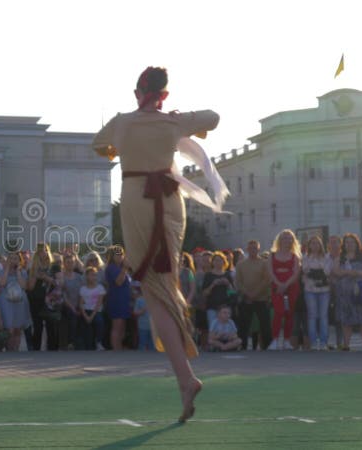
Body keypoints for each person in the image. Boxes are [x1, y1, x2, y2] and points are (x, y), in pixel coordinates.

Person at [93, 66, 219, 422]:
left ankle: (185, 378)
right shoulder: (172, 123)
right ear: (164, 94)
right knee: (163, 283)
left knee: (153, 288)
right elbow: (214, 116)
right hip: (168, 199)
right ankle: (184, 377)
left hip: (136, 199)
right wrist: (181, 119)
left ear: (138, 92)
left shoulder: (122, 121)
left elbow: (98, 145)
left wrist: (122, 145)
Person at [331, 233, 362, 351]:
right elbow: (336, 271)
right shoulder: (340, 256)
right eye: (347, 242)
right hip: (344, 294)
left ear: (357, 243)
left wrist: (359, 273)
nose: (349, 244)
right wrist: (348, 273)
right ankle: (346, 344)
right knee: (346, 319)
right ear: (344, 245)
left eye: (352, 242)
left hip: (361, 291)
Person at [267, 229, 302, 351]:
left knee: (289, 313)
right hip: (277, 287)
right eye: (285, 238)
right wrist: (279, 284)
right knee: (278, 312)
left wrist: (286, 285)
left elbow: (296, 273)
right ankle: (275, 339)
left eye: (289, 238)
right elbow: (270, 271)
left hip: (291, 287)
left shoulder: (295, 256)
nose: (287, 240)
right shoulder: (272, 255)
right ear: (279, 240)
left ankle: (287, 340)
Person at [235, 240, 272, 350]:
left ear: (259, 249)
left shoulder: (264, 263)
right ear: (247, 249)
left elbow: (267, 280)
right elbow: (238, 282)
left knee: (265, 323)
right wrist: (247, 294)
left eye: (255, 248)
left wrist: (255, 293)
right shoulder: (240, 264)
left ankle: (267, 346)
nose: (253, 250)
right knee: (244, 324)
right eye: (250, 248)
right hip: (246, 299)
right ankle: (243, 345)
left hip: (261, 298)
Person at [302, 236, 332, 350]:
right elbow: (306, 271)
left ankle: (324, 342)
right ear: (309, 245)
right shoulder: (305, 257)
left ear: (321, 245)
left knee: (323, 316)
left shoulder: (327, 257)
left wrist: (315, 272)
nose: (315, 245)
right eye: (312, 243)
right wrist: (318, 272)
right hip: (310, 290)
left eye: (317, 243)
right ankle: (313, 342)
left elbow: (326, 272)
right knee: (312, 316)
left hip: (324, 290)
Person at [0, 252, 31, 351]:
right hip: (6, 302)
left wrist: (18, 271)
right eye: (10, 258)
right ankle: (9, 348)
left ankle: (16, 349)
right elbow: (2, 283)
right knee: (9, 328)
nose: (13, 261)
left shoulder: (23, 272)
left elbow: (23, 285)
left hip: (19, 302)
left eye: (15, 259)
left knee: (18, 328)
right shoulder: (2, 272)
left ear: (19, 261)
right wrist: (7, 269)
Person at [105, 245, 132, 350]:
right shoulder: (111, 268)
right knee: (117, 326)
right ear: (112, 256)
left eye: (122, 254)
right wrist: (125, 268)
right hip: (116, 300)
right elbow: (119, 282)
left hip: (125, 300)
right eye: (118, 254)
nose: (121, 256)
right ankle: (116, 349)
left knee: (123, 326)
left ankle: (119, 347)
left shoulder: (121, 268)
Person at [79, 267, 106, 350]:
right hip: (86, 311)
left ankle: (99, 342)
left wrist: (91, 316)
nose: (93, 277)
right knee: (86, 326)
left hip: (96, 311)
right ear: (86, 276)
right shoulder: (83, 289)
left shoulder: (100, 288)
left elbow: (99, 303)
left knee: (99, 321)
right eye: (91, 275)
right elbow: (81, 304)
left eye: (95, 275)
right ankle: (88, 346)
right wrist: (86, 316)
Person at [132, 282, 153, 351]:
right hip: (142, 326)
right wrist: (143, 310)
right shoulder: (139, 300)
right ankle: (141, 357)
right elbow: (135, 312)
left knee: (152, 344)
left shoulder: (155, 300)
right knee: (142, 343)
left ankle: (151, 357)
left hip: (153, 327)